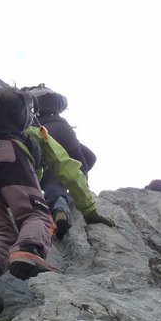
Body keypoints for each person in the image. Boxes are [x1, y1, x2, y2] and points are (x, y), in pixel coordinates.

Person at [0, 78, 115, 316]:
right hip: (10, 158)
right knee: (36, 216)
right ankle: (28, 250)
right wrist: (89, 210)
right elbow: (66, 166)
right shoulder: (28, 131)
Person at [21, 84, 97, 239]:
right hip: (62, 126)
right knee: (84, 161)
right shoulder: (51, 94)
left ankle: (59, 206)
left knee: (50, 171)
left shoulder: (27, 99)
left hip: (41, 129)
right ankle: (81, 195)